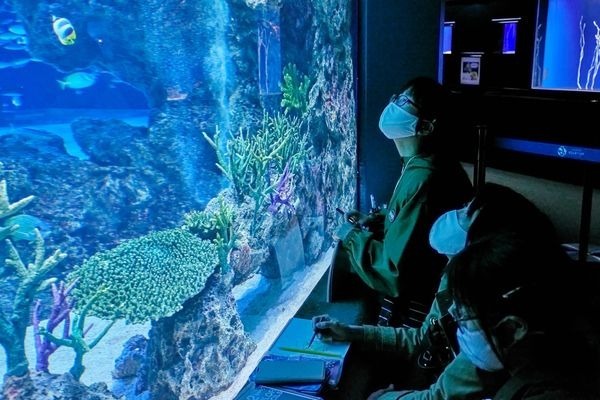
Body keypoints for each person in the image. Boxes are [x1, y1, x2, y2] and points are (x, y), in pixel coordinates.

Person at [316, 183, 564, 399]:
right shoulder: (462, 279)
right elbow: (423, 336)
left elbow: (440, 396)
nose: (453, 313)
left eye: (469, 214)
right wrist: (351, 332)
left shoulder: (491, 341)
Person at [336, 76, 472, 327]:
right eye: (395, 98)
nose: (393, 104)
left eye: (403, 101)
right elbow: (419, 228)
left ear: (427, 126)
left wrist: (350, 236)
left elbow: (393, 271)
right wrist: (378, 221)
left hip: (415, 312)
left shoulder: (424, 178)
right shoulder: (425, 165)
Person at [446, 233, 600, 399]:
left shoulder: (555, 393)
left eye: (463, 315)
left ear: (512, 328)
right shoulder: (570, 351)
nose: (457, 321)